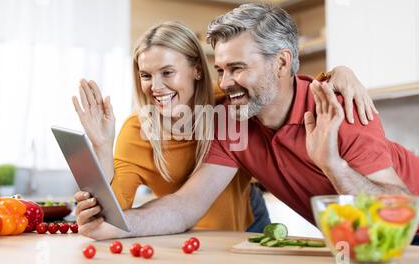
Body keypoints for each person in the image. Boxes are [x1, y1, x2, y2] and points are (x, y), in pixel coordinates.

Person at [73, 16, 378, 240]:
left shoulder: (228, 104)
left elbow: (280, 86)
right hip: (177, 228)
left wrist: (340, 73)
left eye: (167, 72)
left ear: (195, 70)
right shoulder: (138, 130)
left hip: (248, 220)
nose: (156, 87)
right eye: (146, 75)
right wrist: (101, 146)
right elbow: (114, 210)